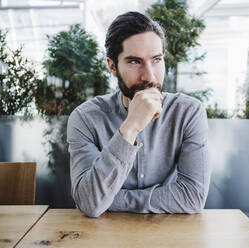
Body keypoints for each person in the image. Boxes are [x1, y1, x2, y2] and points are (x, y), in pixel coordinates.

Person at [67, 11, 210, 218]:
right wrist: (130, 127)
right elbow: (90, 202)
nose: (149, 76)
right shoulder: (85, 118)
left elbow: (192, 197)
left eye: (156, 60)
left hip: (170, 234)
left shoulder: (188, 113)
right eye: (135, 61)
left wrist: (112, 200)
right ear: (112, 66)